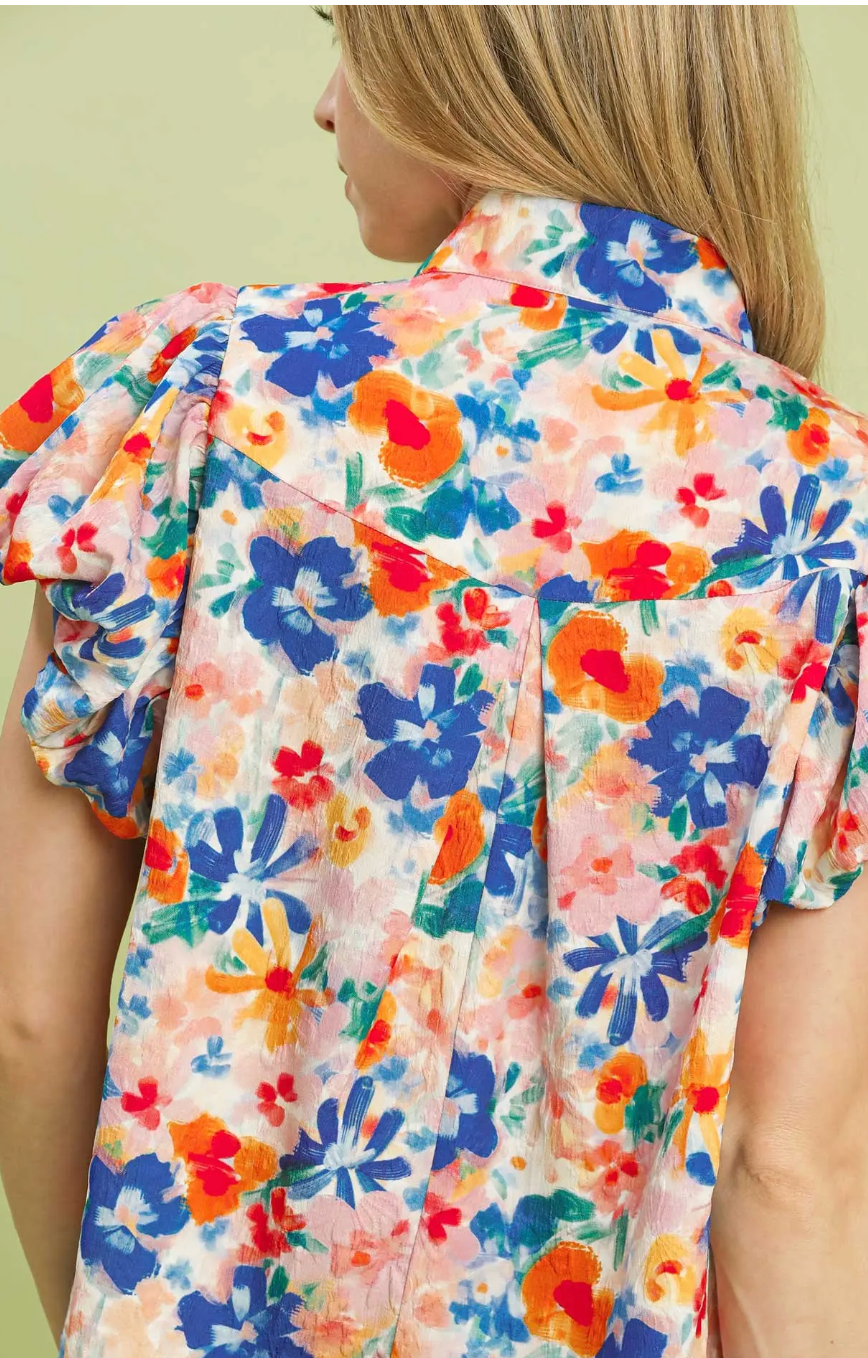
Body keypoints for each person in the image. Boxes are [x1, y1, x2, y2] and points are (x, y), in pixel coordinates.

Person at [0, 5, 866, 1356]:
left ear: (476, 59)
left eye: (351, 37)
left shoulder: (206, 398)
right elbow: (790, 1167)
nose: (327, 103)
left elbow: (31, 1017)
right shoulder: (832, 520)